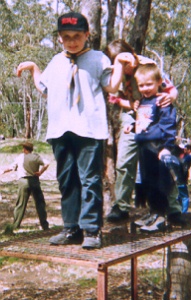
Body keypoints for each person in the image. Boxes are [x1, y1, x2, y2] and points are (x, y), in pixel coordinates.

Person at [16, 13, 134, 249]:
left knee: (90, 179)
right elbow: (45, 89)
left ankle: (92, 230)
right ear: (60, 38)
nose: (72, 41)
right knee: (67, 180)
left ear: (86, 35)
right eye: (66, 36)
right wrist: (34, 68)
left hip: (89, 129)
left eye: (77, 36)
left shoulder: (98, 59)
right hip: (61, 130)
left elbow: (112, 86)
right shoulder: (57, 61)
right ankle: (71, 228)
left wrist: (120, 64)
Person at [104, 39, 179, 223]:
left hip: (156, 116)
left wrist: (169, 98)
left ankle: (173, 208)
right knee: (124, 161)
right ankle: (121, 206)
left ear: (132, 56)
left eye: (126, 64)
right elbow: (114, 98)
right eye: (119, 65)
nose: (125, 69)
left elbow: (171, 89)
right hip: (133, 116)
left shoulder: (147, 65)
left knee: (163, 161)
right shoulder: (115, 73)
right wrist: (129, 104)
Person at [126, 63, 185, 232]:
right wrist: (132, 125)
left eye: (149, 84)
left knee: (161, 183)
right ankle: (153, 213)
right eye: (141, 85)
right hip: (145, 148)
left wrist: (167, 147)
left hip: (158, 148)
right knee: (148, 182)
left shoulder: (162, 101)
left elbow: (168, 124)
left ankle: (162, 217)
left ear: (159, 81)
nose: (145, 88)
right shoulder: (143, 101)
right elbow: (144, 121)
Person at [2, 142, 49, 230]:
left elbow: (11, 167)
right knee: (40, 203)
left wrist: (3, 172)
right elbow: (47, 163)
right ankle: (45, 225)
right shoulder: (36, 156)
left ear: (24, 149)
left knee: (20, 204)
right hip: (34, 181)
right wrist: (40, 172)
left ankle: (15, 226)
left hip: (23, 181)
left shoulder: (20, 157)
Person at [177, 144, 191, 213]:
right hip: (180, 179)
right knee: (181, 196)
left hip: (181, 179)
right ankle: (181, 211)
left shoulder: (188, 157)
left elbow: (184, 168)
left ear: (189, 150)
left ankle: (183, 211)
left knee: (183, 196)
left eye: (185, 149)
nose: (184, 150)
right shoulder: (182, 156)